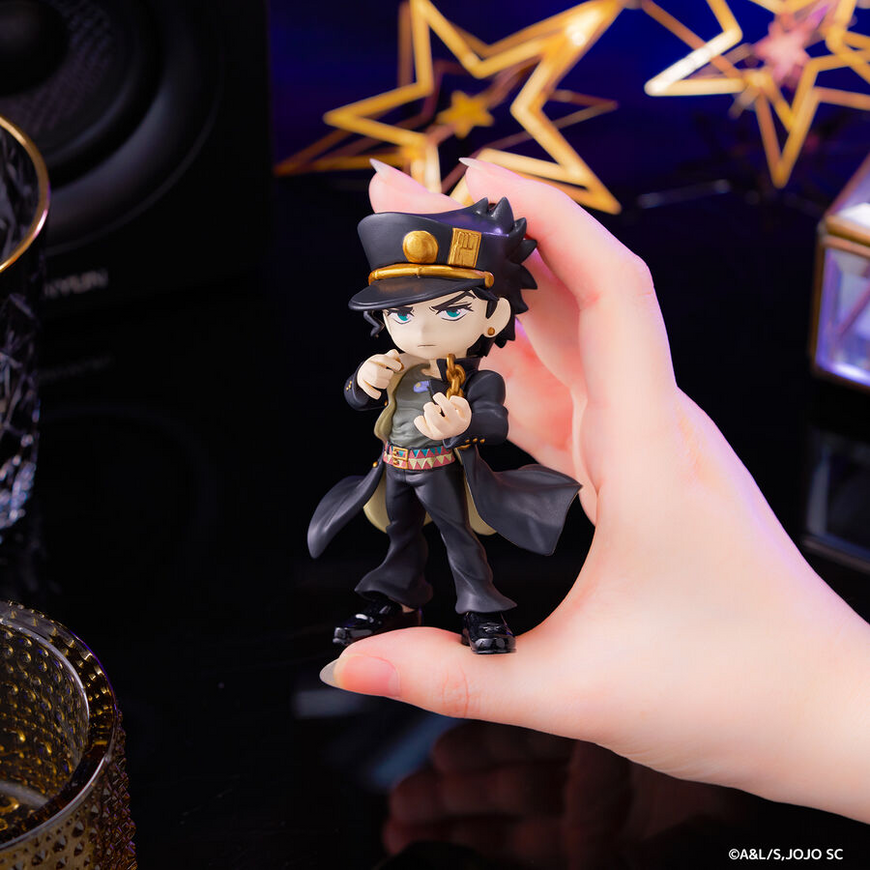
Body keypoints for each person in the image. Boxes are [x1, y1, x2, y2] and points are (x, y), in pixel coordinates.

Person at [321, 157, 870, 825]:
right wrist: (365, 383)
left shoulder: (476, 377)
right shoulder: (398, 364)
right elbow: (361, 398)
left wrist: (461, 421)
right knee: (399, 544)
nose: (421, 330)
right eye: (401, 315)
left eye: (451, 310)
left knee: (461, 543)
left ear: (492, 317)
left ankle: (483, 613)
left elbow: (491, 418)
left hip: (448, 470)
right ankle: (387, 603)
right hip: (396, 469)